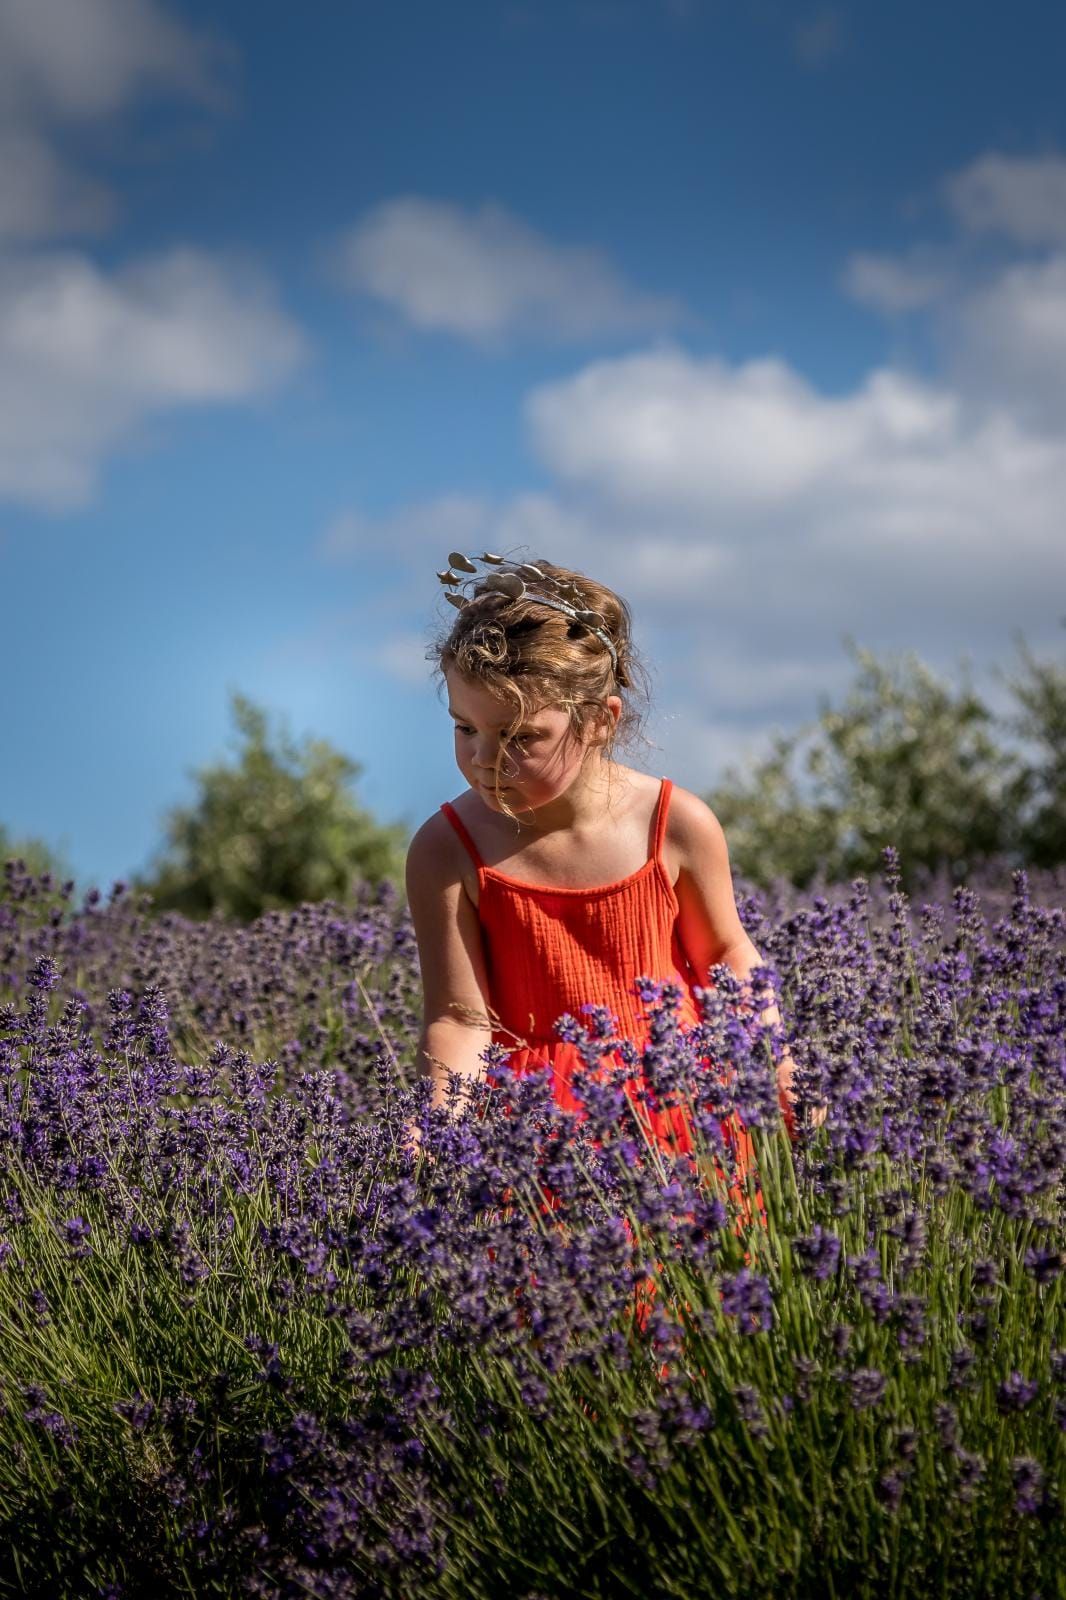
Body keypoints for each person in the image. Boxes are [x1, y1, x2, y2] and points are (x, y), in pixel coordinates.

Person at [404, 552, 825, 1222]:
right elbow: (460, 1018)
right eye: (465, 727)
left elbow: (724, 954)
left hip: (687, 1118)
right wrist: (437, 1131)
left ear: (601, 720)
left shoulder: (676, 825)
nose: (483, 758)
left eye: (519, 735)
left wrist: (780, 1069)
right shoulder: (446, 849)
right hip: (539, 1146)